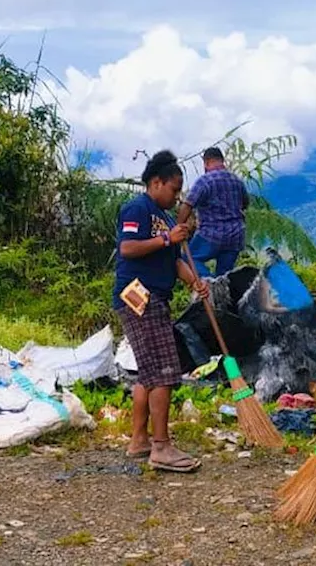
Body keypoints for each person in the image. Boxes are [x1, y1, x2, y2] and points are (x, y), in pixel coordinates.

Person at [114, 150, 210, 473]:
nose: (177, 196)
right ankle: (162, 446)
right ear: (156, 183)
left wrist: (195, 282)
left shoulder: (168, 218)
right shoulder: (137, 209)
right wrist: (166, 238)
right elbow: (127, 249)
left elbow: (176, 260)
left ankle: (139, 440)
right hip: (139, 296)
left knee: (149, 372)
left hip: (157, 296)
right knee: (166, 370)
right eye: (173, 188)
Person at [175, 147, 248, 278]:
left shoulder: (204, 181)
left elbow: (187, 205)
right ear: (222, 161)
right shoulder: (237, 181)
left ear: (207, 162)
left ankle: (211, 284)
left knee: (188, 258)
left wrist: (178, 227)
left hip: (212, 234)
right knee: (225, 275)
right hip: (236, 236)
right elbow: (245, 203)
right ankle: (221, 290)